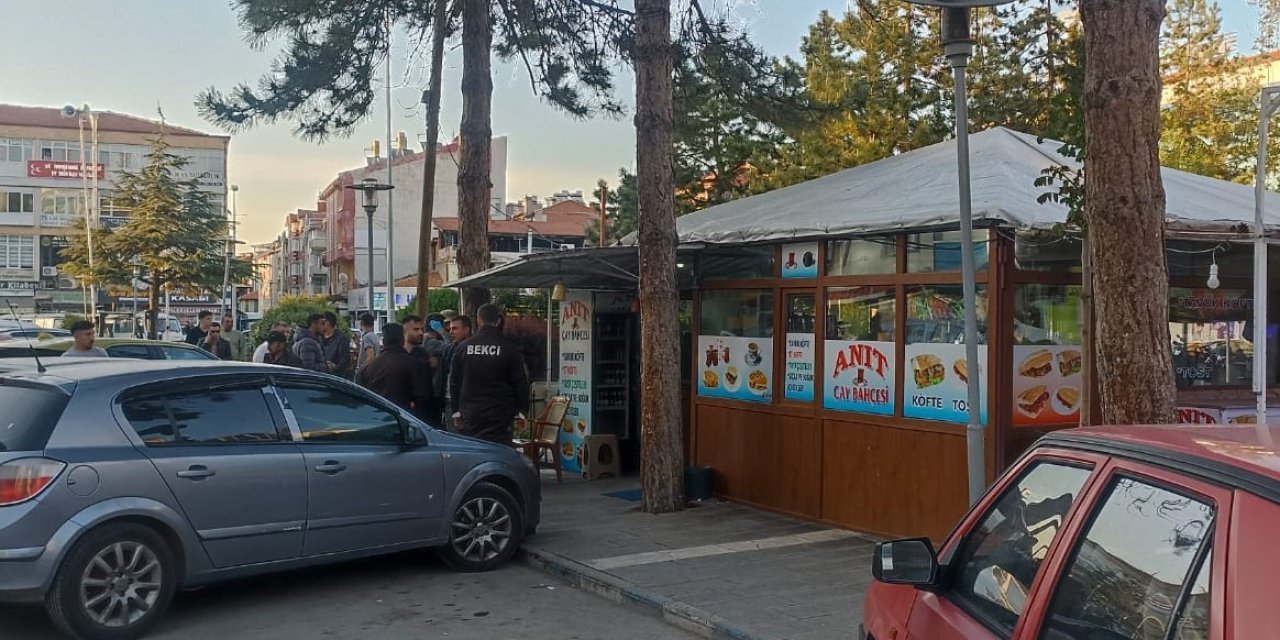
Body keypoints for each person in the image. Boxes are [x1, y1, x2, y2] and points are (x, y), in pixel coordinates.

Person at [449, 304, 529, 446]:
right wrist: (522, 410)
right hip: (500, 412)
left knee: (475, 449)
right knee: (500, 450)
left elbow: (454, 381)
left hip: (471, 412)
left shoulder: (463, 348)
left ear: (478, 320)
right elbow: (520, 382)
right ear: (497, 321)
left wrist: (456, 410)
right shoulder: (508, 348)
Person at [357, 323, 432, 414]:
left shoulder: (368, 367)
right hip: (403, 417)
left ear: (383, 341)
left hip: (375, 416)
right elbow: (423, 399)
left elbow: (360, 397)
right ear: (403, 340)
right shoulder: (415, 365)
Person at [439, 315, 473, 427]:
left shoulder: (474, 350)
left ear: (466, 330)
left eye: (455, 328)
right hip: (450, 400)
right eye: (450, 329)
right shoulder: (449, 349)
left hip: (469, 401)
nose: (451, 332)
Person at [319, 311, 351, 377]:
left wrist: (335, 367)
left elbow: (345, 361)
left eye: (322, 322)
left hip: (335, 377)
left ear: (328, 323)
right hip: (320, 375)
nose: (319, 325)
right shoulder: (318, 338)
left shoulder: (341, 338)